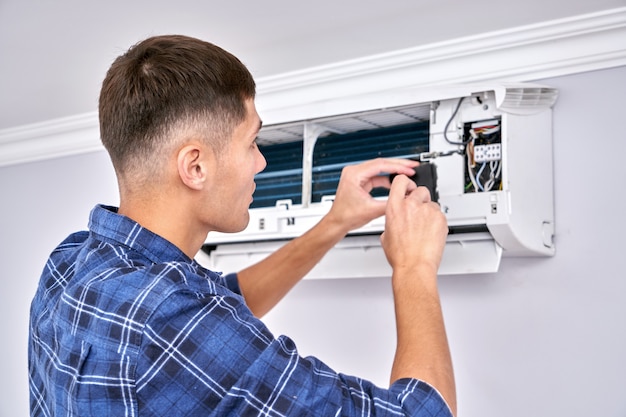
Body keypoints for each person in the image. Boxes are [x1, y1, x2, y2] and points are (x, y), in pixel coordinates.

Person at [28, 34, 456, 416]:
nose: (262, 162)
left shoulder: (70, 263)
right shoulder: (171, 323)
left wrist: (335, 223)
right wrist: (413, 266)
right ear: (194, 166)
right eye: (252, 142)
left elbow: (218, 305)